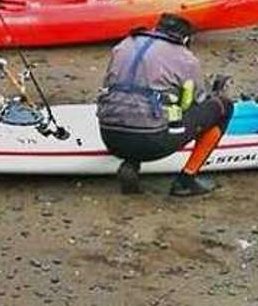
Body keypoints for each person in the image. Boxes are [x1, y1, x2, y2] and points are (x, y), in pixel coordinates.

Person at [96, 13, 233, 197]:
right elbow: (198, 100)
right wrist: (216, 94)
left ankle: (131, 163)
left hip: (110, 137)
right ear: (185, 38)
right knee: (223, 106)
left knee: (135, 99)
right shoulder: (185, 58)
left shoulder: (124, 44)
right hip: (151, 142)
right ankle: (186, 180)